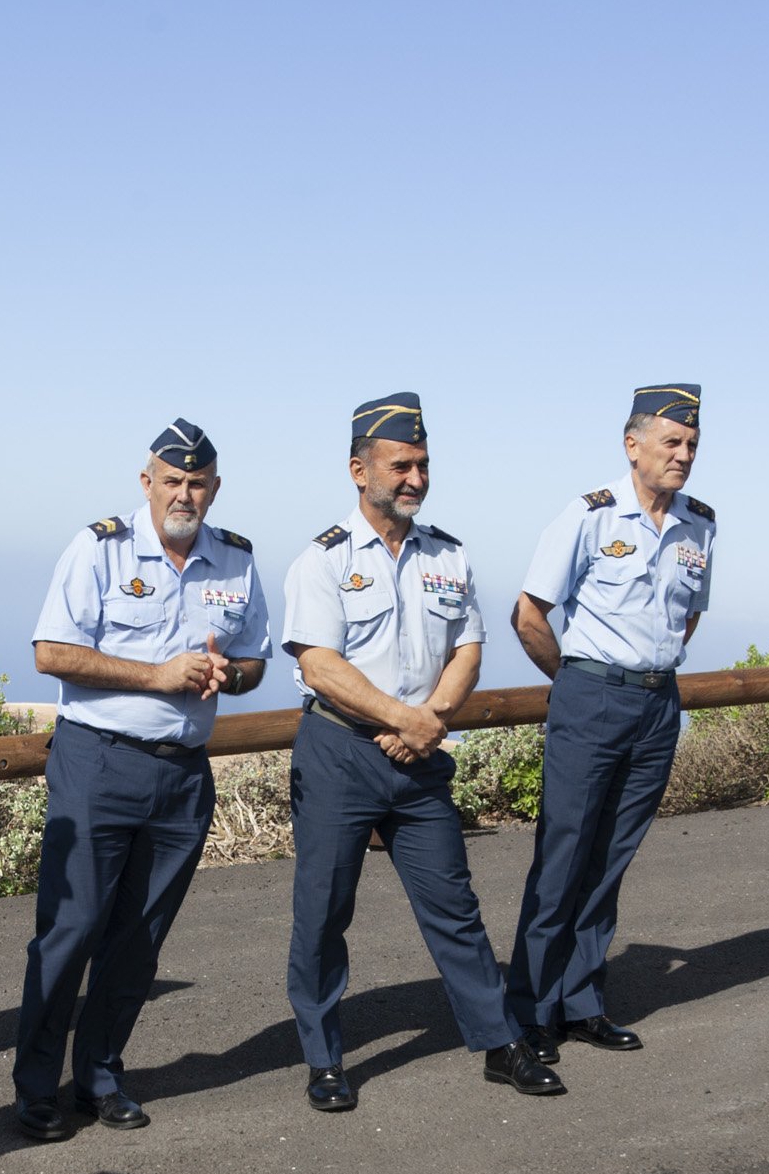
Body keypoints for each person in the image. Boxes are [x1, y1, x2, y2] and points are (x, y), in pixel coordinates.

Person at [282, 393, 564, 1108]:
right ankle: (324, 1059)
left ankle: (500, 1042)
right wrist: (404, 719)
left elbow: (468, 649)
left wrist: (428, 721)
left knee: (454, 906)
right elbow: (320, 665)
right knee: (323, 912)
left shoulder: (448, 554)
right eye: (400, 465)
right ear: (359, 470)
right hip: (341, 753)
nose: (415, 477)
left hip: (419, 758)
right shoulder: (322, 561)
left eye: (423, 464)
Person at [10, 420, 270, 1141]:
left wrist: (230, 675)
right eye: (173, 480)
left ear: (215, 488)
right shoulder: (99, 548)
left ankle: (99, 1075)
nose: (185, 494)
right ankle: (36, 1087)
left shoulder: (236, 559)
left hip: (182, 775)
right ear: (147, 481)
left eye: (198, 483)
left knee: (138, 940)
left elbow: (255, 660)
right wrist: (157, 675)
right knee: (71, 930)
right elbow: (51, 652)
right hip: (99, 761)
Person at [504, 384, 715, 1061]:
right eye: (671, 442)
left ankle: (582, 1000)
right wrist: (573, 682)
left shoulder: (699, 524)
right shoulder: (590, 515)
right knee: (563, 857)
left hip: (657, 704)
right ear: (633, 445)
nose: (683, 454)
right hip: (591, 697)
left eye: (691, 444)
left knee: (611, 859)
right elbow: (529, 614)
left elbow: (687, 616)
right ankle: (530, 1008)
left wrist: (654, 667)